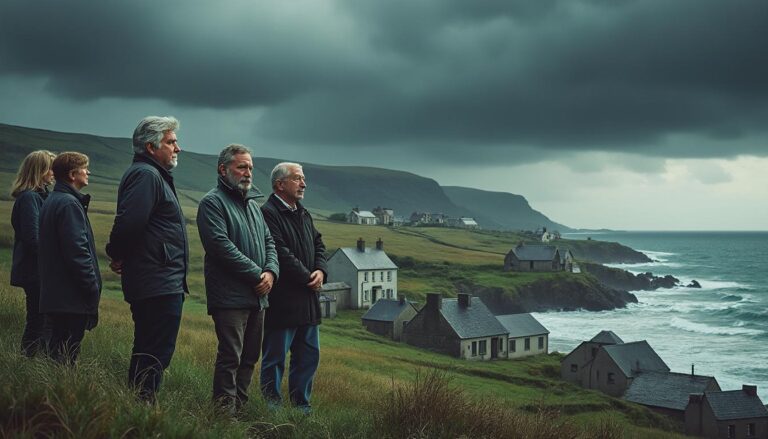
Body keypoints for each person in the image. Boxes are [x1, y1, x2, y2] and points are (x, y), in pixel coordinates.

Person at [105, 116, 188, 401]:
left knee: (149, 347)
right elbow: (130, 222)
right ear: (151, 147)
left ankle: (136, 405)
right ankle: (142, 406)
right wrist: (117, 253)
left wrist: (120, 254)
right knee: (155, 351)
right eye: (171, 142)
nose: (177, 148)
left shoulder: (152, 174)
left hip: (159, 278)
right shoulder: (146, 175)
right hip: (157, 280)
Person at [196, 144, 279, 414]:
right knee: (231, 356)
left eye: (250, 168)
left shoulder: (253, 206)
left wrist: (271, 272)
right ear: (223, 169)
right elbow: (220, 246)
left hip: (258, 295)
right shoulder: (212, 203)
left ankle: (240, 410)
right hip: (230, 296)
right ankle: (223, 415)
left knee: (250, 357)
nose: (248, 173)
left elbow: (269, 242)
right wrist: (258, 274)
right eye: (241, 166)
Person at [260, 162, 327, 413]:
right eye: (298, 179)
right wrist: (308, 276)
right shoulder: (267, 213)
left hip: (308, 302)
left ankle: (301, 408)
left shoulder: (303, 212)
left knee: (308, 357)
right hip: (283, 301)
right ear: (280, 184)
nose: (304, 184)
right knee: (275, 358)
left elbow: (319, 244)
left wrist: (321, 271)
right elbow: (279, 251)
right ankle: (271, 409)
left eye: (303, 179)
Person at [38, 152, 101, 364]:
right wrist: (91, 286)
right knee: (65, 357)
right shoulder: (68, 204)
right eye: (85, 168)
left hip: (58, 295)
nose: (89, 172)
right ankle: (57, 395)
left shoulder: (55, 200)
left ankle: (47, 393)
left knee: (56, 352)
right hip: (69, 297)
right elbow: (77, 252)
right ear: (73, 174)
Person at [10, 150, 56, 356]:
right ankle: (28, 364)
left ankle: (35, 365)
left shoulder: (37, 196)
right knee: (39, 321)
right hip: (35, 272)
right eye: (50, 168)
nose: (54, 172)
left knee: (44, 320)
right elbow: (33, 238)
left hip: (39, 271)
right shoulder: (29, 198)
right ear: (40, 170)